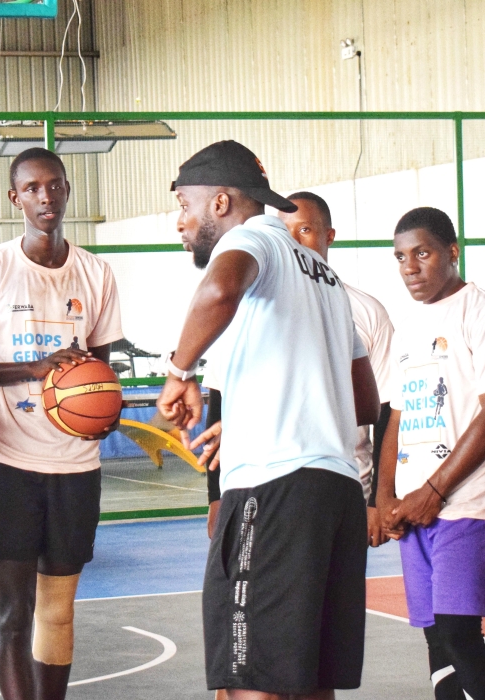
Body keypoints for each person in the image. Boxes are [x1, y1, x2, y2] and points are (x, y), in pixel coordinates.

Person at [157, 140, 381, 700]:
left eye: (185, 204)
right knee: (307, 682)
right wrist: (263, 405)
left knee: (249, 682)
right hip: (335, 493)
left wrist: (179, 369)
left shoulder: (252, 238)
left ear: (222, 203)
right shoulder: (325, 280)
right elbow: (364, 404)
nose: (178, 222)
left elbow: (220, 287)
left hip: (275, 489)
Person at [0, 148, 124, 700]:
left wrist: (92, 402)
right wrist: (34, 369)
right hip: (5, 463)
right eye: (33, 188)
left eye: (55, 185)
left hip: (74, 465)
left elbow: (104, 375)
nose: (46, 196)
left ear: (66, 191)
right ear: (14, 197)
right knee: (13, 615)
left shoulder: (95, 272)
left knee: (59, 613)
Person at [376, 207, 485, 700]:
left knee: (461, 635)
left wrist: (433, 491)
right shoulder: (409, 325)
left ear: (452, 252)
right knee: (436, 641)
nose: (410, 267)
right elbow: (395, 416)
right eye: (400, 257)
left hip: (465, 501)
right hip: (415, 504)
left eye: (422, 252)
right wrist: (384, 499)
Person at [279, 190, 396, 546]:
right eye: (284, 233)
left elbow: (386, 409)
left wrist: (378, 498)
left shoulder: (365, 311)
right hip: (278, 485)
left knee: (340, 598)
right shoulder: (261, 304)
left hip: (348, 485)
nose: (294, 243)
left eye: (304, 231)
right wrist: (216, 494)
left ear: (328, 236)